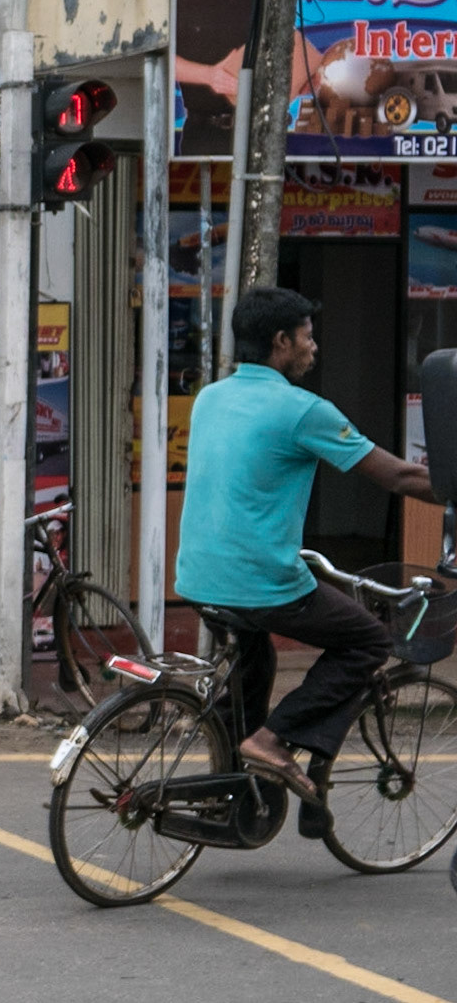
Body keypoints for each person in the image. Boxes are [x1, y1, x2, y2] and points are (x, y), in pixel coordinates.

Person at [175, 287, 437, 827]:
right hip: (261, 583)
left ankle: (232, 789)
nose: (314, 347)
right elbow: (400, 475)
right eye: (308, 336)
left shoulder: (211, 397)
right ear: (281, 342)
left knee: (254, 664)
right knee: (367, 639)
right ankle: (271, 742)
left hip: (199, 578)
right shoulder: (302, 410)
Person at [173, 0, 317, 156]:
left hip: (260, 136)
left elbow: (285, 52)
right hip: (204, 135)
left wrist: (304, 79)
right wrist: (209, 75)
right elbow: (160, 59)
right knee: (202, 196)